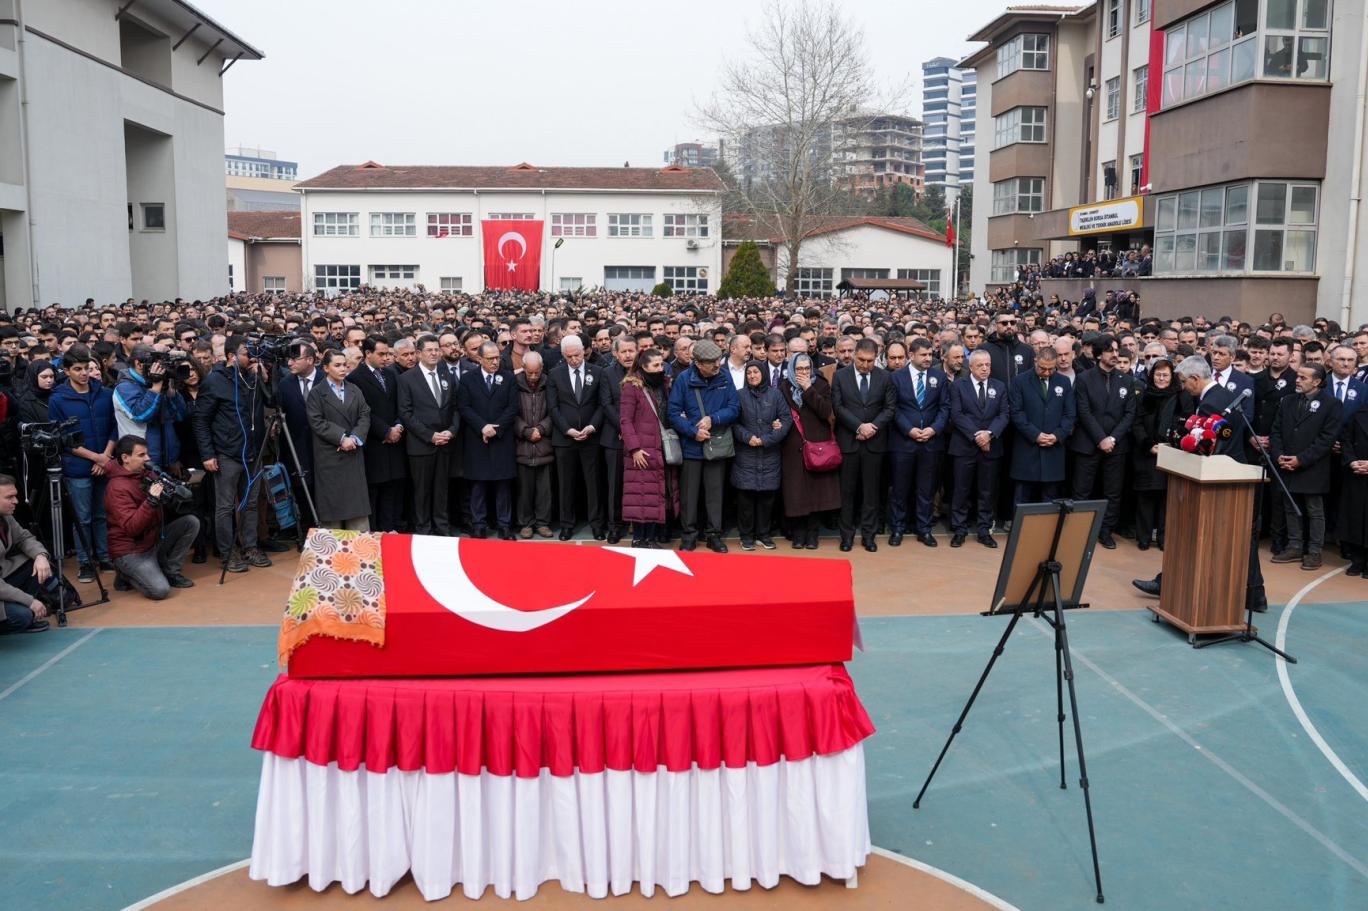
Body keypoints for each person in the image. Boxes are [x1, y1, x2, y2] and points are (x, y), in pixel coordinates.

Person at [193, 335, 274, 573]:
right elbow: (201, 420)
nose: (251, 356)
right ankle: (228, 552)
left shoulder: (253, 377)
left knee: (250, 504)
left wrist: (266, 379)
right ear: (231, 356)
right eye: (246, 352)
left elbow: (272, 401)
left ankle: (250, 547)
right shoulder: (214, 381)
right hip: (227, 454)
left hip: (253, 453)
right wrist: (208, 454)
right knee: (225, 507)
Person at [47, 346, 118, 582]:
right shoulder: (58, 399)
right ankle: (85, 562)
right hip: (78, 468)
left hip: (104, 462)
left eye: (86, 368)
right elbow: (62, 438)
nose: (83, 373)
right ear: (66, 371)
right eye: (77, 369)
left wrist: (105, 456)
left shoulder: (105, 394)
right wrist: (95, 457)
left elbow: (114, 428)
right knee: (83, 517)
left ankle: (104, 556)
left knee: (101, 515)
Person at [103, 435, 198, 599]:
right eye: (141, 455)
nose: (147, 459)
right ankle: (125, 573)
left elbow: (170, 498)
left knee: (190, 522)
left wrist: (177, 489)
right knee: (160, 590)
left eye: (146, 454)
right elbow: (132, 528)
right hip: (131, 551)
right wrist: (151, 500)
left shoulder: (145, 472)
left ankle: (170, 571)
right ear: (125, 458)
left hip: (152, 540)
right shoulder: (116, 488)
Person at [668, 339, 740, 553]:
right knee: (689, 495)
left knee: (715, 494)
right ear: (698, 363)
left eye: (718, 360)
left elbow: (735, 407)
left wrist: (714, 419)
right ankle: (689, 535)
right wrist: (693, 432)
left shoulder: (725, 377)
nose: (717, 365)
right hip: (692, 446)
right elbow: (673, 413)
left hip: (716, 445)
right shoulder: (683, 380)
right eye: (711, 362)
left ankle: (713, 535)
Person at [1269, 364, 1340, 570]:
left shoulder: (1331, 404)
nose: (1297, 380)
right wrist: (1279, 455)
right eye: (1297, 376)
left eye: (1302, 377)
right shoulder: (1288, 400)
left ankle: (1315, 551)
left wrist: (1301, 459)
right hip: (1286, 464)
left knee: (1314, 510)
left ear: (1317, 381)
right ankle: (1295, 545)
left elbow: (1326, 439)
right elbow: (1276, 431)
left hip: (1312, 467)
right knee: (1291, 507)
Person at [1069, 335, 1136, 549]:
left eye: (1117, 350)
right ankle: (1078, 532)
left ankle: (1106, 531)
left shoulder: (1126, 380)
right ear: (1099, 354)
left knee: (1113, 492)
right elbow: (1084, 411)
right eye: (1111, 351)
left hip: (1117, 447)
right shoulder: (1084, 378)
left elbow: (1129, 414)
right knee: (1082, 491)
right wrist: (1101, 438)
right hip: (1088, 444)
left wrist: (1113, 438)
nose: (1116, 355)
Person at [831, 338, 896, 552]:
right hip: (849, 442)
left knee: (871, 493)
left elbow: (889, 408)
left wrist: (872, 427)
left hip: (874, 444)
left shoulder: (885, 377)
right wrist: (859, 427)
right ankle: (846, 536)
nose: (865, 365)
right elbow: (838, 407)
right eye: (861, 360)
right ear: (854, 355)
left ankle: (869, 536)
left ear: (876, 358)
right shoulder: (840, 376)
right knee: (847, 493)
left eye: (870, 361)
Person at [889, 337, 950, 547]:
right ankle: (898, 527)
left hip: (931, 443)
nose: (927, 358)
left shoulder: (939, 377)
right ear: (911, 355)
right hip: (903, 443)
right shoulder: (897, 378)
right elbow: (893, 408)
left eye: (930, 354)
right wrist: (909, 430)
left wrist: (933, 429)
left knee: (926, 489)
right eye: (923, 355)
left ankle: (924, 529)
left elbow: (945, 408)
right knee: (900, 488)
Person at [397, 335, 459, 536]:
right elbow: (405, 413)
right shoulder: (407, 378)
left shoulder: (447, 375)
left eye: (436, 350)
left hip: (445, 442)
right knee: (421, 491)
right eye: (429, 350)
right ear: (419, 353)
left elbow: (456, 407)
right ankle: (423, 529)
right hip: (421, 444)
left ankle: (442, 527)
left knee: (442, 489)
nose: (434, 353)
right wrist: (430, 435)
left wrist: (451, 430)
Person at [456, 340, 518, 539]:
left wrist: (495, 428)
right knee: (478, 484)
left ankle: (504, 524)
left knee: (503, 484)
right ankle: (479, 524)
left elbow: (512, 407)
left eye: (497, 358)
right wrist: (482, 426)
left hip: (501, 437)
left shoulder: (508, 378)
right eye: (490, 359)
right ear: (479, 359)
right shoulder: (468, 379)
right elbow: (464, 407)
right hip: (477, 438)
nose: (494, 362)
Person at [948, 349, 1010, 548]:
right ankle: (959, 529)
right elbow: (957, 415)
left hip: (991, 447)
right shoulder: (958, 386)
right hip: (965, 446)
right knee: (961, 489)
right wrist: (977, 435)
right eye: (980, 365)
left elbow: (1004, 415)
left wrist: (989, 434)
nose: (985, 369)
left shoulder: (999, 387)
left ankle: (984, 530)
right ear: (971, 367)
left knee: (987, 491)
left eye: (988, 365)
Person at [778, 352, 841, 549]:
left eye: (807, 369)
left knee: (815, 492)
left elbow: (826, 411)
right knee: (795, 492)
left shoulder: (821, 384)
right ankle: (798, 534)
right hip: (792, 446)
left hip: (817, 445)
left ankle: (812, 535)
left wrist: (808, 389)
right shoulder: (784, 387)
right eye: (799, 369)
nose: (803, 373)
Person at [306, 350, 373, 531]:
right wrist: (342, 438)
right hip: (330, 457)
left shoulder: (354, 389)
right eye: (337, 365)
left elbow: (365, 414)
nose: (343, 369)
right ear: (326, 368)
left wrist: (355, 437)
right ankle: (334, 555)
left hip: (353, 453)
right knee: (333, 510)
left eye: (344, 365)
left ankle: (360, 553)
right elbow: (317, 422)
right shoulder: (316, 393)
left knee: (357, 509)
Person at [546, 335, 605, 540]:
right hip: (565, 439)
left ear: (584, 351)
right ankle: (566, 524)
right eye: (569, 356)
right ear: (563, 355)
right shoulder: (555, 374)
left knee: (593, 483)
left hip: (591, 437)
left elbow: (601, 404)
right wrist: (566, 429)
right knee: (565, 484)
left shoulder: (597, 372)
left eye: (577, 355)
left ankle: (596, 523)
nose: (574, 360)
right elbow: (552, 407)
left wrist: (592, 426)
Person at [619, 349, 679, 548]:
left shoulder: (664, 384)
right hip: (641, 450)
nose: (660, 368)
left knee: (656, 494)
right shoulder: (631, 386)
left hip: (660, 447)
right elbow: (625, 420)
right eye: (655, 365)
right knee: (639, 495)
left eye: (661, 364)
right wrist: (634, 448)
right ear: (644, 367)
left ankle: (651, 538)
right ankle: (638, 538)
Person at [730, 360, 791, 550]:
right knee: (745, 499)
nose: (752, 376)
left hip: (769, 453)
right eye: (749, 373)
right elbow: (733, 422)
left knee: (767, 499)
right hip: (745, 454)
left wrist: (767, 439)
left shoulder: (776, 395)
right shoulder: (739, 395)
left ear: (763, 374)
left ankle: (763, 534)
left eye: (756, 372)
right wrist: (748, 437)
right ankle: (746, 535)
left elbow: (786, 419)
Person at [347, 336, 406, 532]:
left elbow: (400, 404)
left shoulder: (391, 375)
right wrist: (385, 431)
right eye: (381, 354)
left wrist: (397, 426)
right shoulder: (355, 378)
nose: (386, 358)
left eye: (388, 354)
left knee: (391, 488)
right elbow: (363, 412)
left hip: (394, 440)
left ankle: (389, 529)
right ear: (368, 354)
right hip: (373, 443)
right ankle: (373, 534)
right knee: (374, 490)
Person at [1008, 346, 1076, 506]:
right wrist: (1036, 435)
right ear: (1035, 361)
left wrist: (1057, 435)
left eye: (1051, 369)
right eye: (1042, 368)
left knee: (1050, 500)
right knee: (1022, 499)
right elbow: (1017, 413)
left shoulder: (1064, 382)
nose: (1046, 372)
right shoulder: (1020, 381)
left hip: (1053, 450)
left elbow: (1070, 414)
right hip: (1026, 448)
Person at [1130, 358, 1180, 550]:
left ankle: (1163, 538)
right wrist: (1148, 444)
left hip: (1170, 454)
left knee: (1165, 499)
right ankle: (1143, 537)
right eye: (1158, 375)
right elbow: (1137, 423)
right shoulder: (1144, 394)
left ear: (1171, 376)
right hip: (1146, 453)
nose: (1161, 378)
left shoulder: (1180, 396)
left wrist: (1169, 445)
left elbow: (1183, 422)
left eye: (1165, 375)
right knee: (1145, 497)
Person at [112, 345, 184, 472]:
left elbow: (180, 416)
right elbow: (141, 415)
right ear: (139, 364)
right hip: (142, 461)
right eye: (157, 365)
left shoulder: (158, 383)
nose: (161, 369)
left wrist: (171, 392)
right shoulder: (124, 388)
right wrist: (156, 387)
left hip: (167, 458)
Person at [0, 473, 53, 633]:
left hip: (3, 577)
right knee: (22, 618)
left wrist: (40, 556)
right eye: (10, 497)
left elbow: (24, 538)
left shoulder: (5, 518)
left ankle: (22, 608)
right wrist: (30, 601)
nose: (16, 501)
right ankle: (24, 611)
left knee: (36, 564)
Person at [597, 335, 636, 543]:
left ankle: (636, 523)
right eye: (624, 351)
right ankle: (614, 526)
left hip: (639, 437)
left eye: (632, 350)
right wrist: (623, 427)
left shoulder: (642, 371)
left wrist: (631, 430)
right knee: (614, 485)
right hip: (614, 437)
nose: (628, 355)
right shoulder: (607, 373)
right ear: (616, 354)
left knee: (637, 483)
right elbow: (606, 403)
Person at [513, 351, 555, 538]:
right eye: (529, 373)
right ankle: (526, 523)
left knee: (544, 489)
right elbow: (509, 412)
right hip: (522, 444)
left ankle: (543, 522)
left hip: (544, 443)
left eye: (536, 372)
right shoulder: (513, 384)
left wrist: (542, 428)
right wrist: (525, 430)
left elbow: (556, 410)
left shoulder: (550, 383)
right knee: (524, 489)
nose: (533, 377)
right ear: (523, 369)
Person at [1337, 394, 1368, 576]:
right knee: (1355, 518)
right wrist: (1351, 461)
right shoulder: (1359, 413)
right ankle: (1358, 559)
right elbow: (1346, 439)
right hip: (1356, 473)